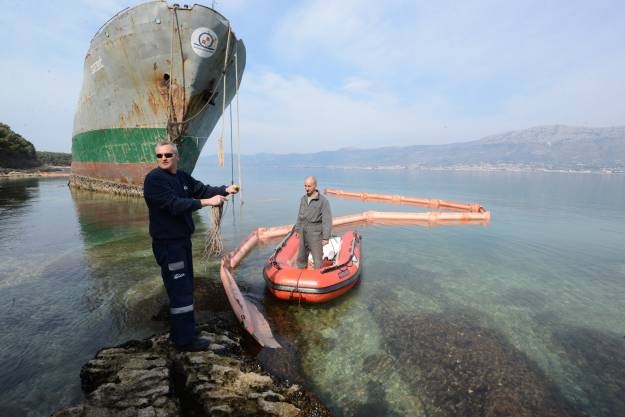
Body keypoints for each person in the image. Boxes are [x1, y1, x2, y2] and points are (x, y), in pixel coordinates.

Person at [143, 140, 238, 352]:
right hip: (168, 245)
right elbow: (174, 205)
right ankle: (185, 342)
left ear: (177, 156)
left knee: (186, 287)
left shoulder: (182, 176)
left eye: (168, 154)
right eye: (159, 156)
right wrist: (207, 202)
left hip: (183, 242)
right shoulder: (154, 180)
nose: (164, 158)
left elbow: (201, 189)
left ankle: (184, 330)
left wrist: (225, 189)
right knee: (180, 291)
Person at [295, 176, 332, 269]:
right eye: (305, 186)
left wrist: (326, 237)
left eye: (309, 186)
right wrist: (298, 229)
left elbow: (327, 220)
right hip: (303, 230)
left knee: (317, 258)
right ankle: (301, 273)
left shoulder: (323, 201)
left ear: (315, 186)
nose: (306, 188)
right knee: (301, 256)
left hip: (316, 232)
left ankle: (318, 276)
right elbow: (300, 215)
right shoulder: (303, 199)